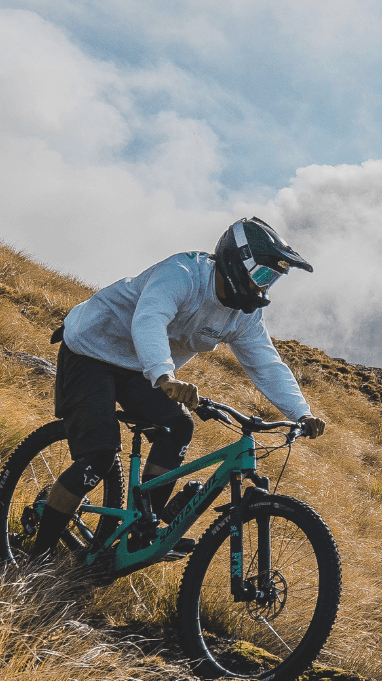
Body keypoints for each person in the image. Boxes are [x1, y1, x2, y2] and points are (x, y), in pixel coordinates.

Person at [30, 217, 326, 557]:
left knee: (178, 426)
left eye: (271, 279)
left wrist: (302, 413)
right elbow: (150, 319)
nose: (263, 287)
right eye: (262, 274)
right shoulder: (183, 275)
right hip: (92, 350)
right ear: (235, 261)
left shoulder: (243, 316)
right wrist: (165, 377)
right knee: (97, 455)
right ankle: (35, 557)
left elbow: (265, 363)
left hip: (142, 369)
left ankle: (143, 529)